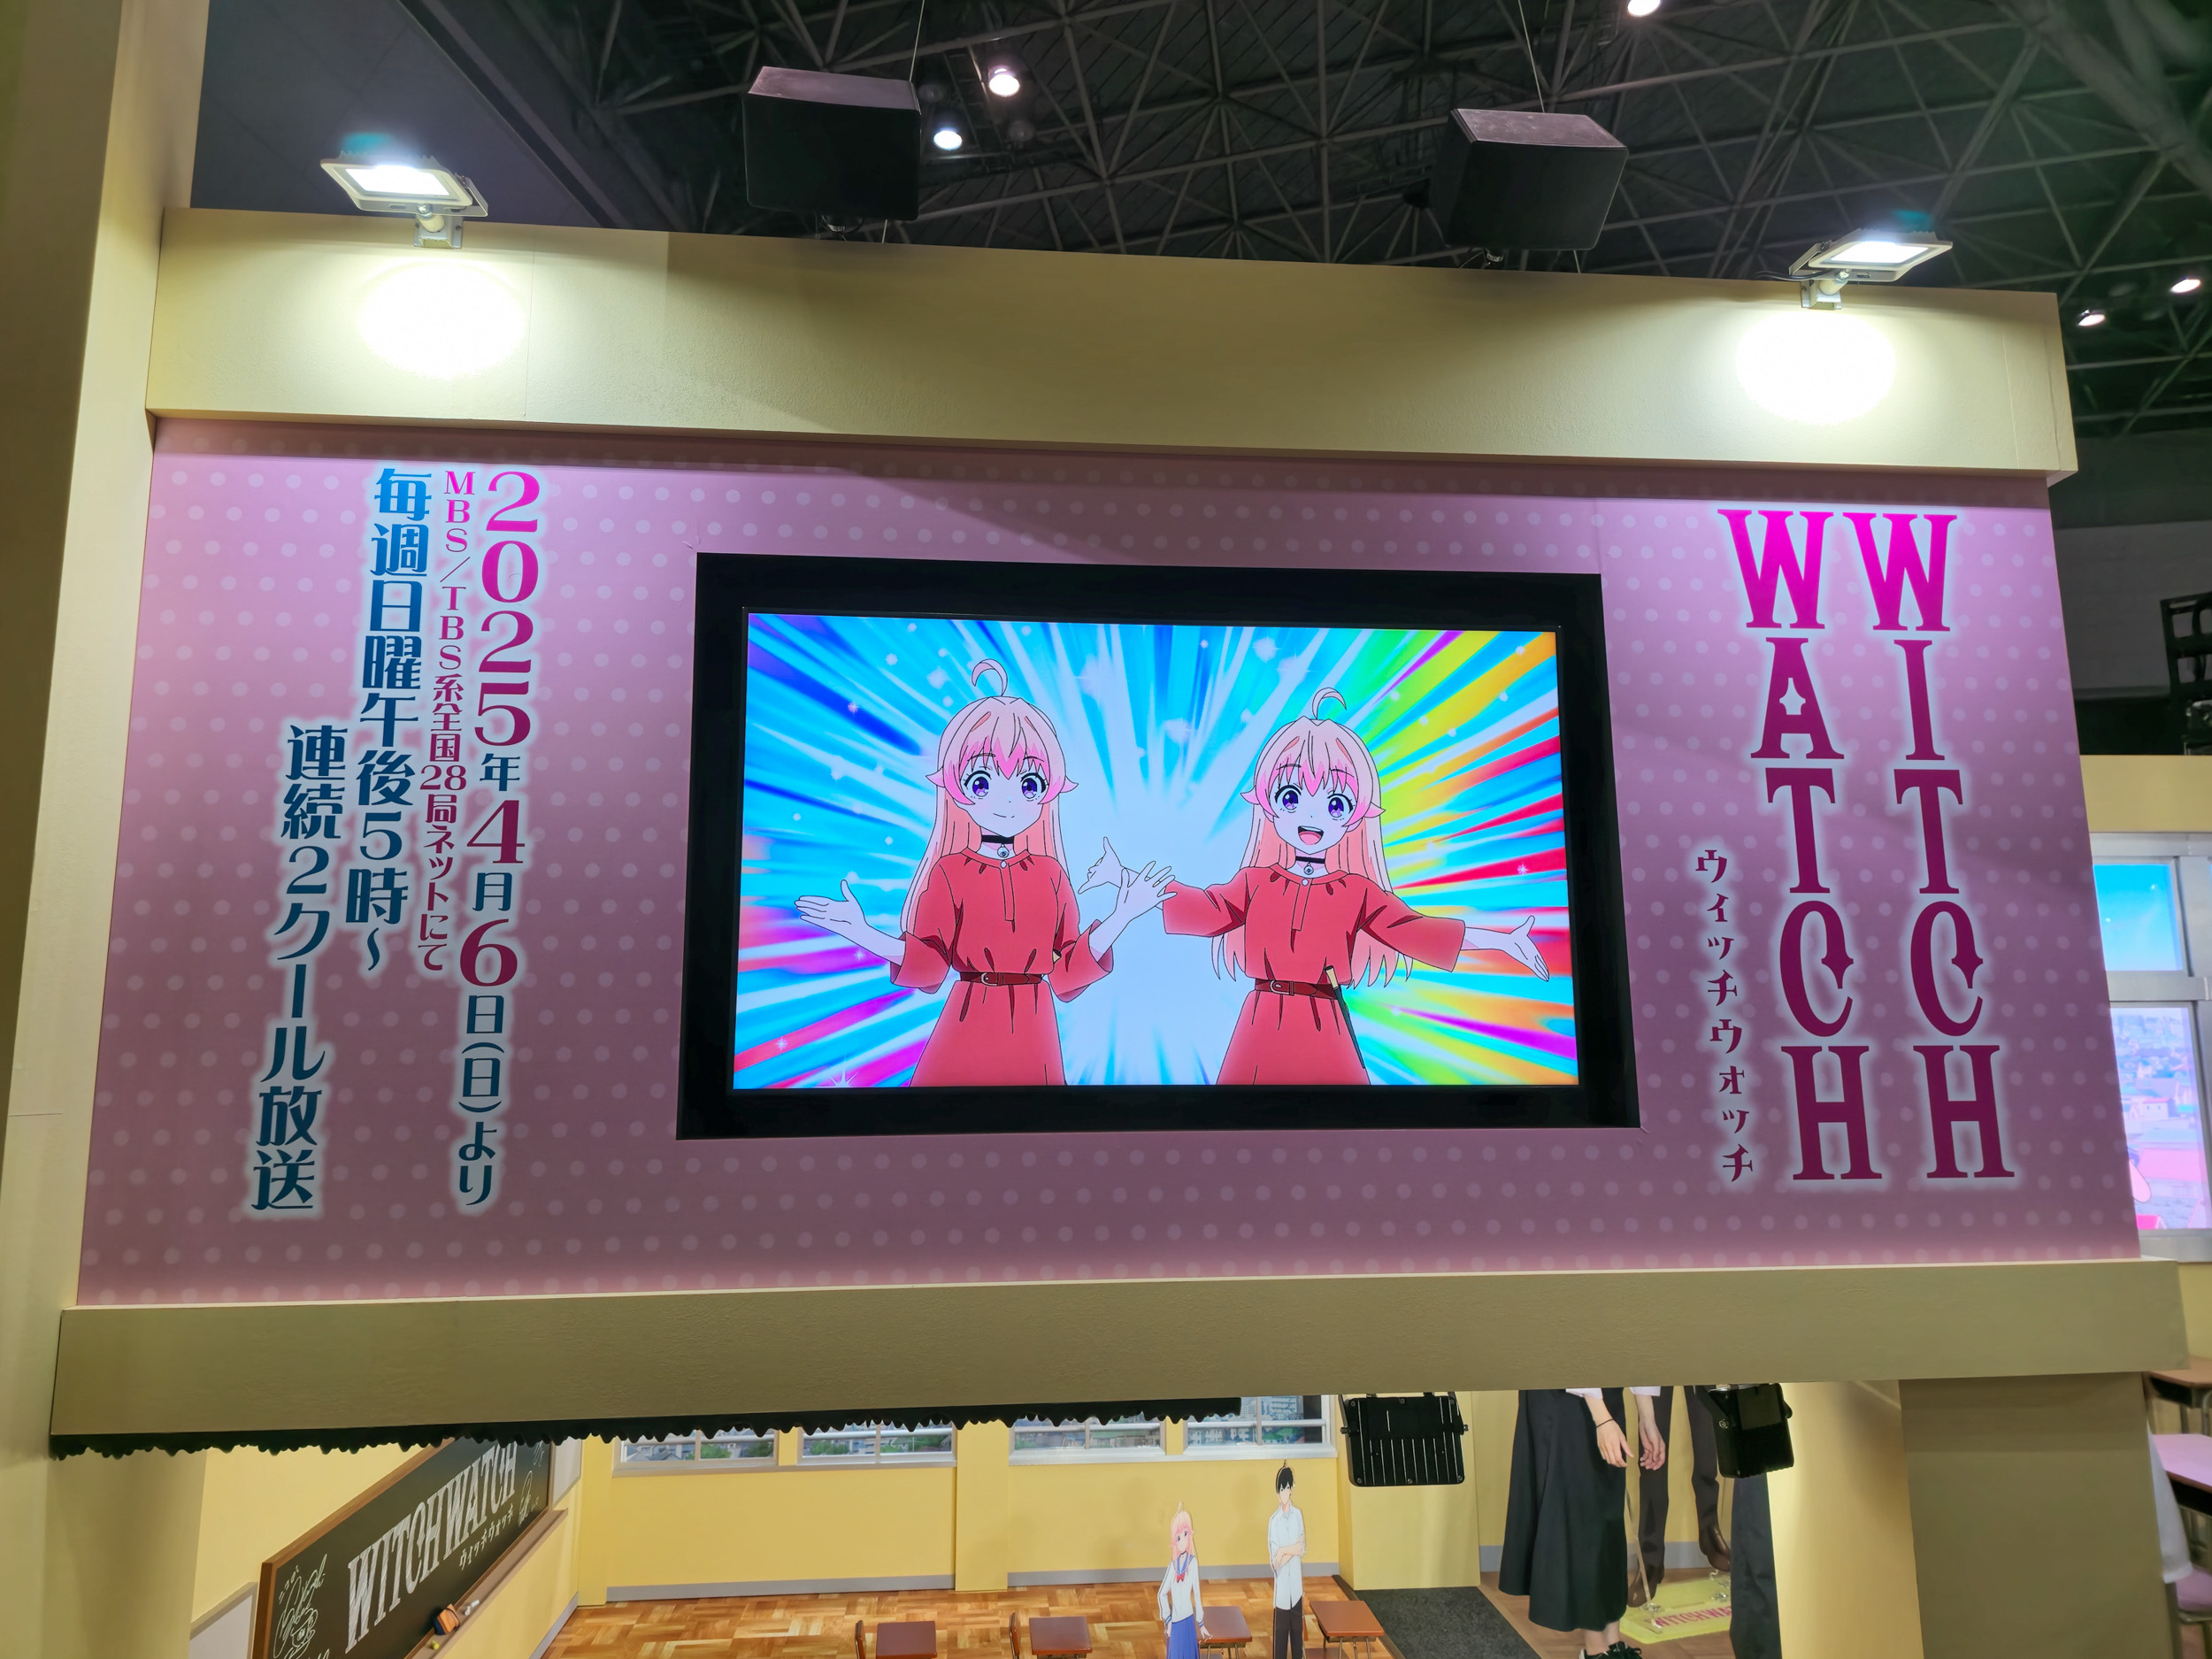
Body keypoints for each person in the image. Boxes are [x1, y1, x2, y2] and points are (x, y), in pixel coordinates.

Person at [1095, 687, 1545, 1085]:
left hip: (1324, 1022)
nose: (1311, 816)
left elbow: (1417, 931)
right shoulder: (1255, 883)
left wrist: (1502, 940)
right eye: (1291, 797)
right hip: (1261, 1021)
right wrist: (1122, 878)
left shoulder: (1358, 892)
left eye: (1335, 803)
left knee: (1341, 1130)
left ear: (1356, 815)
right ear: (1268, 804)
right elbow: (1204, 907)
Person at [796, 659, 1170, 1085]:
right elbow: (930, 963)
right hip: (968, 1019)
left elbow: (1067, 970)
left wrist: (1122, 915)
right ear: (956, 788)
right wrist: (863, 934)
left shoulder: (1050, 874)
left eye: (1029, 784)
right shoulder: (950, 872)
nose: (1008, 800)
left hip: (1034, 1027)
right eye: (982, 782)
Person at [1500, 1386, 1666, 1659]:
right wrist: (1601, 1418)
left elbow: (1635, 1357)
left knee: (1607, 1517)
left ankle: (1612, 1643)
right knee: (1582, 1519)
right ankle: (1595, 1650)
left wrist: (1647, 1418)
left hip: (1604, 1394)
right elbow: (1576, 1361)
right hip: (1566, 1395)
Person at [1636, 1387, 1728, 1598]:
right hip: (1655, 1365)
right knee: (1652, 1452)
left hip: (1701, 1365)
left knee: (1707, 1438)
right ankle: (1650, 1557)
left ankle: (1710, 1528)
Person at [1158, 1505, 1209, 1659]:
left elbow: (1197, 1594)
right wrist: (1168, 1620)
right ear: (1174, 1540)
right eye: (1178, 1537)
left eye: (1185, 1534)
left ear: (1190, 1534)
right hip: (1175, 1622)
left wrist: (1201, 1623)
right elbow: (1161, 1594)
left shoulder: (1192, 1563)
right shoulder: (1173, 1566)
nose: (1182, 1540)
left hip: (1188, 1620)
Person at [1268, 1464, 1306, 1659]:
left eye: (1287, 1488)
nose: (1284, 1493)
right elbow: (1276, 1562)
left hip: (1296, 1592)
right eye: (1281, 1489)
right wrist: (1291, 1549)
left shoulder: (1298, 1515)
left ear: (1292, 1489)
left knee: (1298, 1643)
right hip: (1282, 1595)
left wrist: (1284, 1550)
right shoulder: (1274, 1521)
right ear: (1277, 1492)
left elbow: (1302, 1548)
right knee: (1280, 1646)